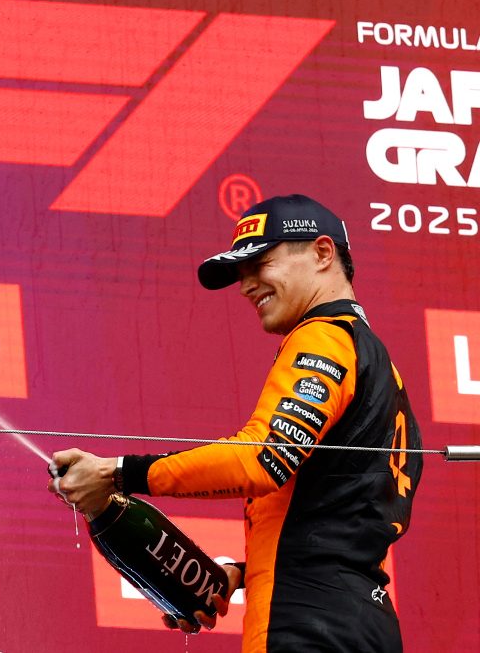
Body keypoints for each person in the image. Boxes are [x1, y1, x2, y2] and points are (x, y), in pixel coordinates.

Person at [50, 194, 422, 652]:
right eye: (240, 274)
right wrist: (242, 575)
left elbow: (262, 459)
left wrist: (117, 473)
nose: (247, 286)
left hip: (307, 626)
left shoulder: (323, 337)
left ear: (323, 253)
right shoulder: (379, 364)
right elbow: (338, 517)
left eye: (261, 263)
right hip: (366, 625)